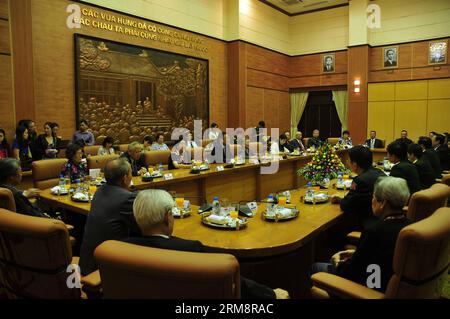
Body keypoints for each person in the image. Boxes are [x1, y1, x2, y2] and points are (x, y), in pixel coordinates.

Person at [124, 189, 290, 299]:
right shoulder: (190, 249)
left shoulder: (123, 247)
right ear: (168, 217)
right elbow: (231, 280)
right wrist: (270, 294)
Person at [312, 177, 411, 293]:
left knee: (316, 267)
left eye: (374, 197)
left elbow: (354, 272)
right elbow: (380, 256)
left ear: (383, 203)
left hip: (372, 286)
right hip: (387, 280)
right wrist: (356, 253)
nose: (372, 201)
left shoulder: (374, 231)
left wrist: (338, 263)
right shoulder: (410, 226)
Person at [79, 158, 139, 276]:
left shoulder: (99, 190)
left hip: (88, 261)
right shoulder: (126, 198)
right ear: (125, 178)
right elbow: (142, 226)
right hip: (105, 268)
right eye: (131, 172)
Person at [331, 146, 385, 229]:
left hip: (366, 224)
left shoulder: (360, 181)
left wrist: (338, 199)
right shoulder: (379, 172)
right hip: (381, 220)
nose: (347, 163)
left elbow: (346, 205)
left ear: (355, 165)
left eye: (348, 160)